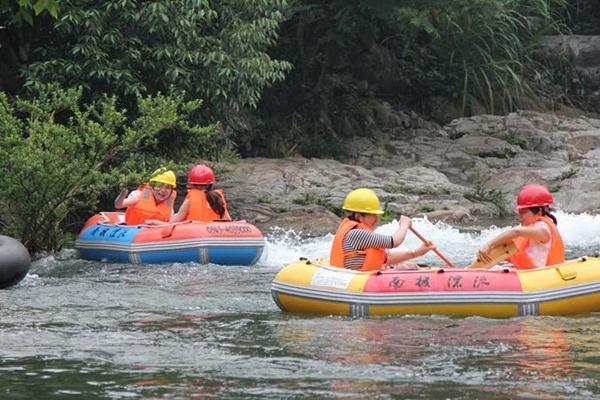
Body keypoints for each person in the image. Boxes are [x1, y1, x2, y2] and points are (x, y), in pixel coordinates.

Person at [329, 188, 434, 271]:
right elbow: (394, 242)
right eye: (373, 214)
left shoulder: (356, 232)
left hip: (361, 277)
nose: (376, 218)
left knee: (403, 267)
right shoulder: (356, 234)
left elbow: (385, 258)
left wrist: (415, 253)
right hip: (355, 282)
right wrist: (404, 225)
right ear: (359, 216)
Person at [475, 184, 565, 269]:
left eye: (523, 213)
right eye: (519, 213)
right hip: (529, 274)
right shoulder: (533, 229)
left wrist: (488, 245)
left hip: (539, 277)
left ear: (539, 212)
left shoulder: (543, 231)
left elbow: (516, 232)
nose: (520, 217)